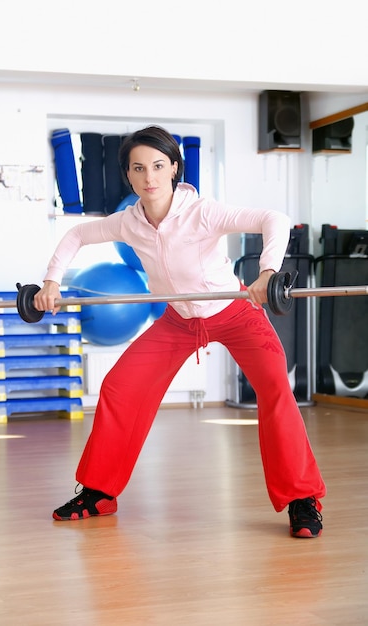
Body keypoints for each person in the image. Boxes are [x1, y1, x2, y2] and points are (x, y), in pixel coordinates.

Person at [34, 125, 326, 538]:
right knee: (119, 387)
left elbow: (271, 219)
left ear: (174, 168)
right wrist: (51, 282)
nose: (149, 177)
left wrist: (268, 271)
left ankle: (302, 499)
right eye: (139, 169)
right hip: (178, 322)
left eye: (158, 166)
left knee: (276, 389)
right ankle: (99, 491)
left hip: (235, 312)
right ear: (129, 176)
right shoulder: (128, 222)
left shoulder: (202, 212)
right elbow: (78, 234)